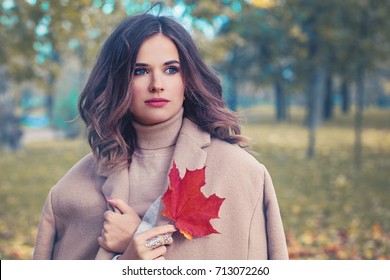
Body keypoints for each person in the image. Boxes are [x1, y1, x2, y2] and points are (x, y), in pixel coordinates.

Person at [33, 5, 288, 260]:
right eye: (140, 71)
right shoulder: (69, 194)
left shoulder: (244, 176)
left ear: (187, 79)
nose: (157, 85)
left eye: (170, 69)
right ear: (118, 81)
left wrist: (139, 236)